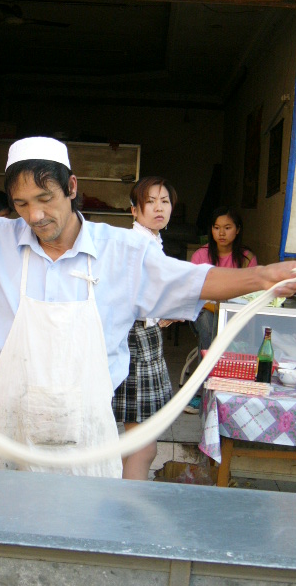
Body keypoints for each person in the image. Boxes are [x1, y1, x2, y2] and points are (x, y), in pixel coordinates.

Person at [0, 137, 296, 477]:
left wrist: (262, 276)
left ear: (72, 187)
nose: (35, 215)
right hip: (6, 436)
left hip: (88, 438)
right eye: (22, 204)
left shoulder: (123, 252)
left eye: (45, 199)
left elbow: (197, 280)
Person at [113, 176, 178, 480]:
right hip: (135, 342)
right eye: (150, 202)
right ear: (134, 210)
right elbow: (129, 295)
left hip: (147, 340)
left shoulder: (151, 241)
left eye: (164, 201)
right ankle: (128, 505)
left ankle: (119, 495)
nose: (158, 208)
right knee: (143, 446)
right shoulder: (135, 244)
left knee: (136, 442)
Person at [185, 205, 258, 414]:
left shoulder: (246, 259)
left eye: (227, 227)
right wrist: (216, 305)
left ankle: (229, 391)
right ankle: (204, 392)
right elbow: (193, 292)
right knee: (209, 323)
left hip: (235, 315)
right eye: (216, 228)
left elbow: (251, 295)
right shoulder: (201, 255)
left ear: (238, 229)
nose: (221, 233)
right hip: (204, 313)